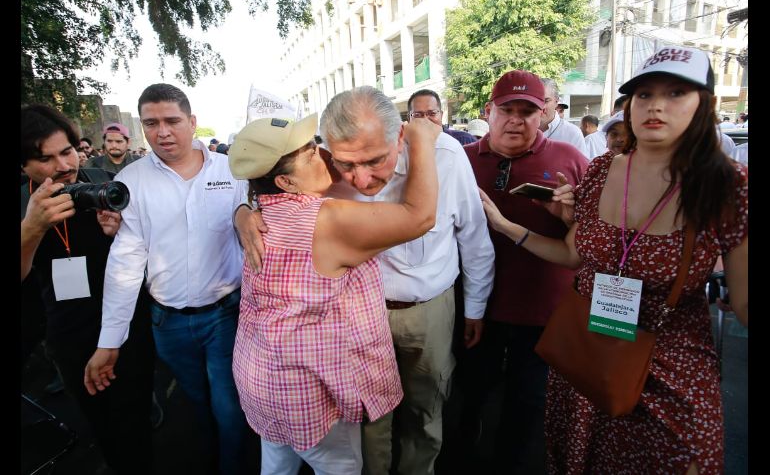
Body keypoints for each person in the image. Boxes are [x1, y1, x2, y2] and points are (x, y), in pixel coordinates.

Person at [479, 45, 747, 474]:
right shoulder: (602, 170)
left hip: (671, 373)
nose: (656, 105)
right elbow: (572, 254)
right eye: (643, 95)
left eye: (677, 93)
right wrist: (507, 225)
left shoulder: (729, 185)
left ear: (705, 105)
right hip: (587, 358)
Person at [237, 86, 495, 475]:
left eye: (375, 160)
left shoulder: (443, 157)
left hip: (425, 314)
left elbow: (473, 237)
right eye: (346, 165)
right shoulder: (321, 167)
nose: (360, 178)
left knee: (424, 413)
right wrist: (243, 210)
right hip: (352, 330)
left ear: (401, 136)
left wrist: (475, 307)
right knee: (368, 426)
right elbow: (268, 179)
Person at [84, 83, 252, 475]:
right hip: (168, 324)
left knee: (229, 409)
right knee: (197, 404)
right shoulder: (132, 180)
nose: (163, 132)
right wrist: (110, 340)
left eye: (172, 121)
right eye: (151, 123)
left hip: (226, 317)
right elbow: (126, 262)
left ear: (192, 122)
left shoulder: (232, 172)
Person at [460, 69, 588, 473]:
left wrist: (568, 217)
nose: (516, 120)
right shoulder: (459, 161)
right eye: (507, 110)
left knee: (528, 403)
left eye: (527, 112)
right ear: (489, 112)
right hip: (474, 309)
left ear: (543, 116)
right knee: (469, 394)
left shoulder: (571, 160)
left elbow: (590, 244)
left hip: (542, 313)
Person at [21, 105, 155, 475]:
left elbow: (140, 250)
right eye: (44, 159)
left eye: (66, 151)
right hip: (70, 333)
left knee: (137, 416)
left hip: (127, 322)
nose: (62, 166)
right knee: (102, 422)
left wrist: (117, 232)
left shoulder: (102, 183)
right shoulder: (25, 204)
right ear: (24, 167)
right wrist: (32, 228)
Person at [408, 89, 477, 145]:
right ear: (409, 118)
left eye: (432, 113)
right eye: (417, 115)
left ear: (441, 115)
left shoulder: (465, 141)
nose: (425, 120)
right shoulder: (403, 148)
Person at [539, 78, 587, 156]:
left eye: (546, 101)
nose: (541, 106)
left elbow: (582, 167)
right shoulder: (520, 130)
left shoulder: (572, 133)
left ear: (556, 101)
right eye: (536, 100)